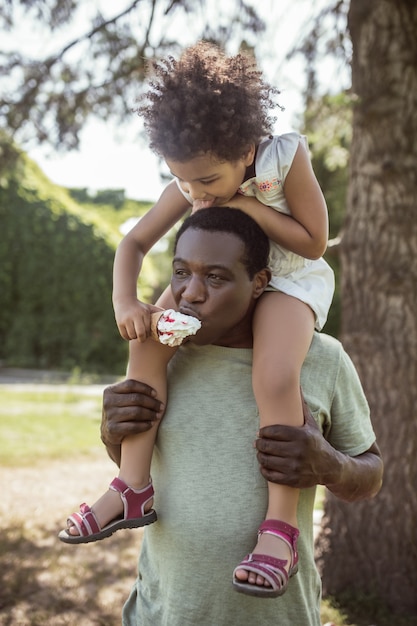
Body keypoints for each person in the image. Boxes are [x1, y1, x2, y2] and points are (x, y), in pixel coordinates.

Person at [59, 42, 335, 596]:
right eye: (183, 182)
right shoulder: (190, 184)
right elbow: (133, 242)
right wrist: (127, 303)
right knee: (149, 343)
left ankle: (278, 527)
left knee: (274, 375)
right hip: (211, 278)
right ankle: (133, 484)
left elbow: (313, 242)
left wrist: (251, 208)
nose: (195, 194)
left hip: (283, 278)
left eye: (206, 181)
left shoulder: (284, 158)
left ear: (243, 147)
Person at [99, 208, 383, 625]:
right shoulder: (160, 358)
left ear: (259, 284)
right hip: (161, 613)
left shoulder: (322, 358)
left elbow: (370, 473)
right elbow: (151, 469)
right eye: (181, 273)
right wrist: (113, 433)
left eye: (215, 277)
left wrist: (329, 464)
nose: (190, 294)